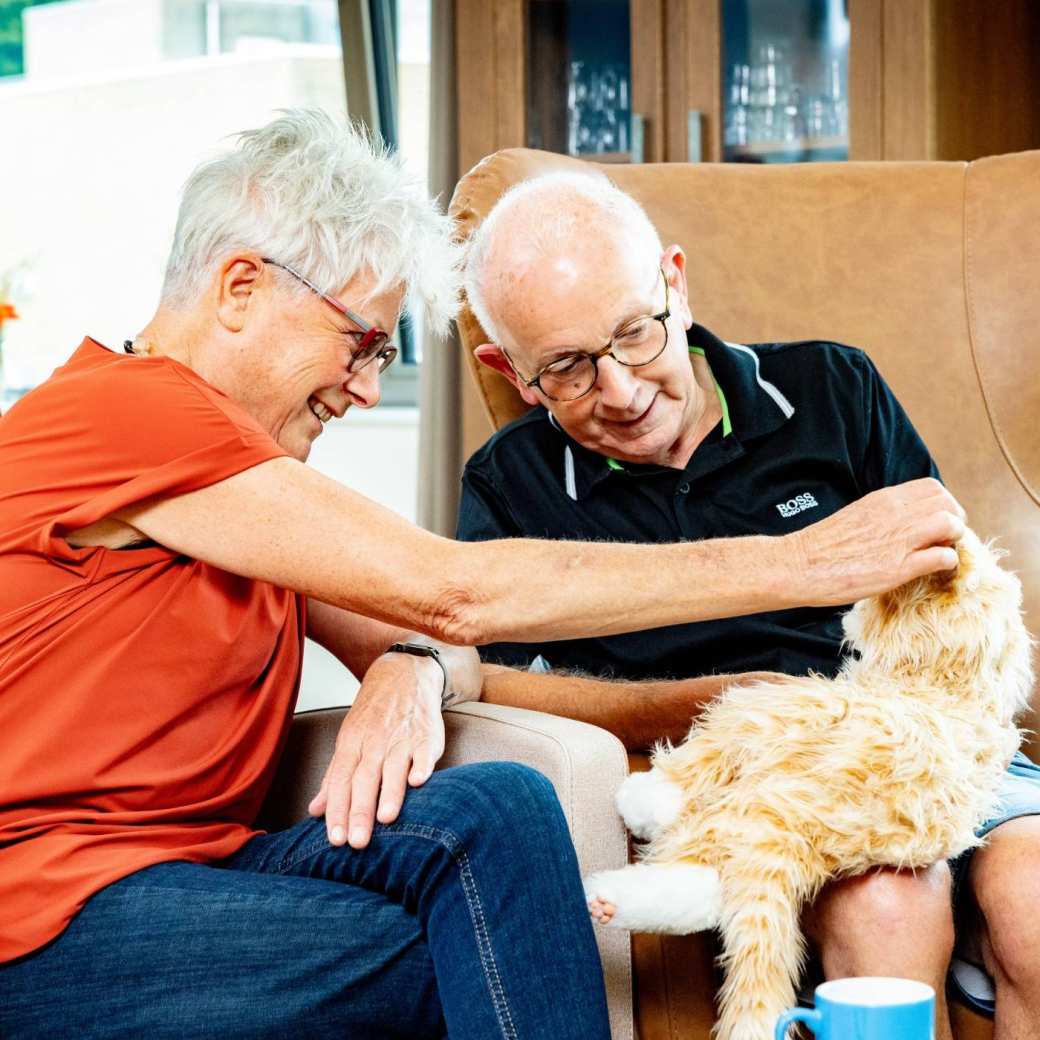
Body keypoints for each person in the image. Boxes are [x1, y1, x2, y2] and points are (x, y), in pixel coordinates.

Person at [0, 111, 962, 1040]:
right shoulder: (126, 417)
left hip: (195, 872)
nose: (368, 388)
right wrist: (801, 563)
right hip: (45, 913)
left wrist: (416, 669)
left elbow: (453, 645)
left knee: (498, 807)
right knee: (481, 953)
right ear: (241, 288)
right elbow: (453, 590)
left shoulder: (248, 494)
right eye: (361, 344)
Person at [457, 171, 1040, 1040]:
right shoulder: (511, 484)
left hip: (920, 743)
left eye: (633, 334)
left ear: (675, 284)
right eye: (569, 369)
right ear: (511, 371)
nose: (620, 392)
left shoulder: (833, 390)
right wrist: (717, 703)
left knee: (1034, 901)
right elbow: (482, 686)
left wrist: (924, 736)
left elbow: (954, 602)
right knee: (889, 905)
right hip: (740, 781)